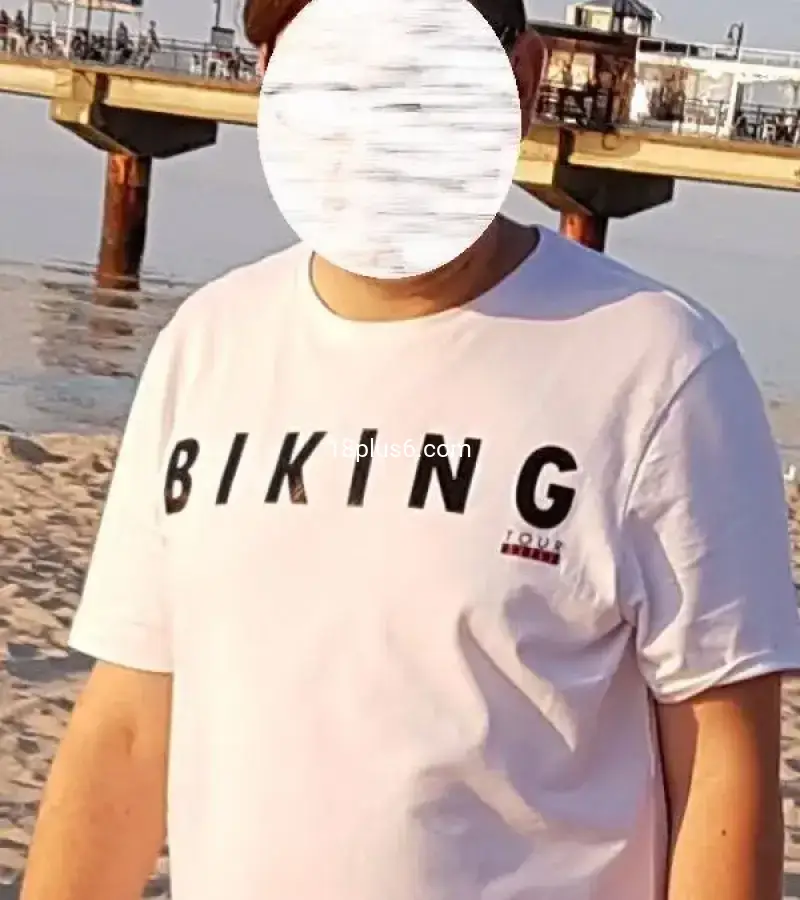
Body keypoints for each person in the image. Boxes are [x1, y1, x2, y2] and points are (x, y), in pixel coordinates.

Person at [20, 2, 800, 900]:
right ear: (273, 81)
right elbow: (127, 726)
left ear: (521, 78)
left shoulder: (661, 369)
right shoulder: (208, 343)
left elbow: (721, 765)